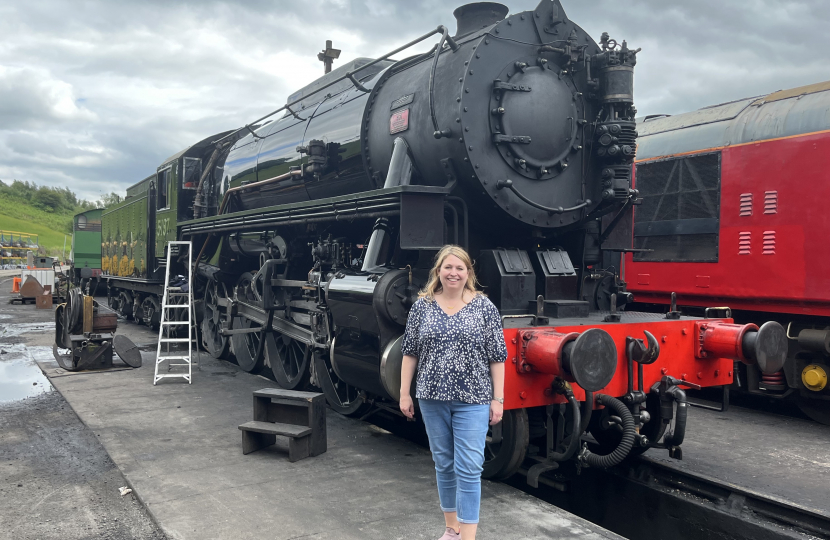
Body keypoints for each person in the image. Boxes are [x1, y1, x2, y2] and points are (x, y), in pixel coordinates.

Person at [399, 245, 507, 540]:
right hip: (431, 398)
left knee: (470, 467)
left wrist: (498, 399)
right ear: (438, 271)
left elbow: (497, 356)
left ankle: (467, 537)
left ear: (468, 273)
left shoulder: (484, 307)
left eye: (460, 268)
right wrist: (404, 394)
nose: (453, 273)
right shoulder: (422, 306)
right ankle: (451, 529)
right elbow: (410, 353)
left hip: (473, 399)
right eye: (448, 267)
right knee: (443, 463)